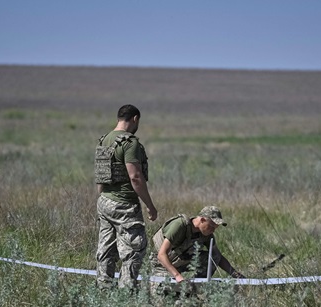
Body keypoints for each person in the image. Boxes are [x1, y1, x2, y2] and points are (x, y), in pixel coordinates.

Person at [95, 104, 158, 289]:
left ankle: (103, 290)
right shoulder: (130, 143)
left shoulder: (104, 140)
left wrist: (102, 199)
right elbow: (135, 177)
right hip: (125, 204)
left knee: (106, 249)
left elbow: (101, 174)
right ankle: (126, 294)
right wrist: (150, 205)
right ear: (135, 119)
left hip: (105, 201)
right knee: (133, 250)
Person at [150, 206, 244, 289]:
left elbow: (217, 256)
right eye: (211, 226)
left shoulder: (207, 234)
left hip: (180, 263)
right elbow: (161, 255)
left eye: (215, 228)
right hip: (163, 265)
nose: (213, 231)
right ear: (202, 220)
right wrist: (178, 276)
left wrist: (235, 274)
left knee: (213, 257)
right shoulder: (180, 225)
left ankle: (197, 288)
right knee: (165, 292)